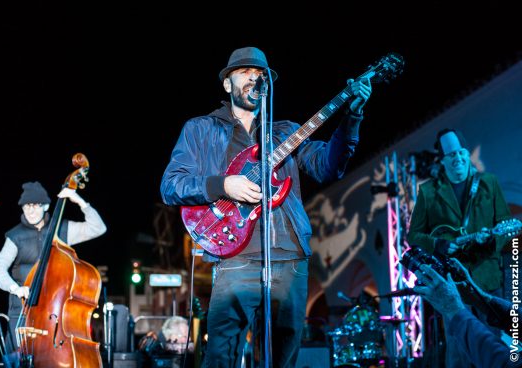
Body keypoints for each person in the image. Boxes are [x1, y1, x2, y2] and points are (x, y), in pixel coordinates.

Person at [160, 46, 372, 367]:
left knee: (280, 358)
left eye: (260, 75)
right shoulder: (201, 130)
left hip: (289, 256)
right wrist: (223, 184)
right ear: (227, 84)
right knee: (221, 357)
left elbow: (328, 166)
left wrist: (351, 117)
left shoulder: (285, 132)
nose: (254, 78)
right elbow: (171, 185)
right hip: (235, 257)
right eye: (245, 72)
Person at [407, 128, 512, 368]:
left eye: (461, 152)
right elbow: (414, 235)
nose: (458, 158)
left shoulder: (489, 183)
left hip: (487, 281)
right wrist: (440, 244)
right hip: (451, 284)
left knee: (490, 347)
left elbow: (504, 227)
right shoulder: (428, 191)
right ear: (443, 160)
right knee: (458, 349)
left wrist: (490, 240)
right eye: (451, 155)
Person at [0, 181, 107, 355]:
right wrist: (15, 288)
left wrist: (79, 201)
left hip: (54, 314)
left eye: (35, 206)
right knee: (19, 359)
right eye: (26, 206)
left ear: (45, 206)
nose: (30, 211)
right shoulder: (15, 236)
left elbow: (98, 228)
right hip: (22, 312)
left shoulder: (61, 229)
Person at [413, 262, 521, 368]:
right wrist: (480, 299)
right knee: (457, 350)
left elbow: (501, 363)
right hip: (470, 291)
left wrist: (453, 309)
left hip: (488, 279)